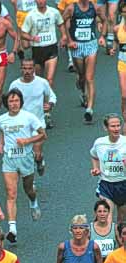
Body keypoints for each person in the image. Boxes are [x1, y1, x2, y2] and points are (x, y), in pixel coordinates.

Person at [0, 88, 46, 243]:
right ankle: (12, 229)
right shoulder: (2, 119)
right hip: (9, 159)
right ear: (7, 104)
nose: (14, 104)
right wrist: (0, 145)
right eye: (11, 101)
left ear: (21, 102)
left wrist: (27, 141)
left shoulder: (29, 117)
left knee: (28, 189)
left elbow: (43, 134)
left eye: (16, 100)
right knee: (11, 193)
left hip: (25, 158)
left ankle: (33, 202)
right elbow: (3, 134)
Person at [63, 0, 107, 123]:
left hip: (91, 45)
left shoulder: (95, 7)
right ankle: (83, 92)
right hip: (77, 46)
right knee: (82, 77)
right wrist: (68, 39)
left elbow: (105, 20)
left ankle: (89, 109)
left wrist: (102, 36)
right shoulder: (72, 8)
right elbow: (61, 21)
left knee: (89, 78)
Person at [9, 58, 56, 173]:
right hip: (21, 124)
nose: (27, 71)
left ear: (34, 69)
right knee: (25, 154)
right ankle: (31, 179)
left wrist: (50, 105)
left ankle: (39, 160)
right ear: (21, 69)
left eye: (30, 68)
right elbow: (9, 102)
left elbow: (52, 96)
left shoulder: (42, 82)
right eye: (24, 68)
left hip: (38, 123)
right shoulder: (15, 85)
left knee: (36, 154)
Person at [21, 0, 67, 87]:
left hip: (51, 48)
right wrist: (32, 38)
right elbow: (23, 33)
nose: (40, 2)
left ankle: (48, 100)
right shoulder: (31, 15)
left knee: (49, 79)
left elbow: (61, 24)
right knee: (39, 80)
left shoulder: (54, 12)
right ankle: (41, 98)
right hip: (37, 49)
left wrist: (64, 36)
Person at [90, 113, 126, 222]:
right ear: (106, 128)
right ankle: (105, 238)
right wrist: (96, 168)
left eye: (118, 125)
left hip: (123, 184)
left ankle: (118, 238)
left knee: (122, 221)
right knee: (106, 218)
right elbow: (94, 155)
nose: (116, 129)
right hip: (106, 184)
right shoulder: (99, 143)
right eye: (113, 126)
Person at [110, 1, 126, 134]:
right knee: (124, 95)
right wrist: (113, 49)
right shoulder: (117, 28)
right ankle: (125, 118)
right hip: (123, 63)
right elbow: (116, 40)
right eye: (124, 11)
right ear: (121, 13)